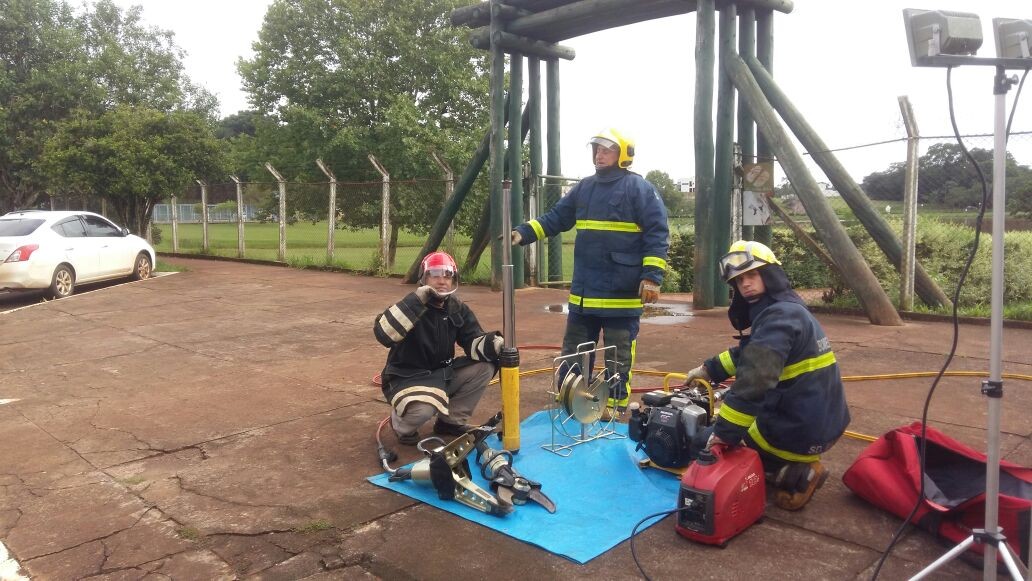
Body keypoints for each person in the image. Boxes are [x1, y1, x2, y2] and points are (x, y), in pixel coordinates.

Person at [511, 128, 669, 418]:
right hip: (585, 293)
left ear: (623, 155)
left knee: (618, 355)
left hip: (621, 295)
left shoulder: (640, 189)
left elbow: (658, 234)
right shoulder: (585, 187)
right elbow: (556, 218)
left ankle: (613, 407)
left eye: (606, 150)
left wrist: (652, 277)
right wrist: (524, 232)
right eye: (596, 149)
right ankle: (572, 401)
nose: (599, 154)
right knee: (574, 352)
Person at [683, 240, 850, 510]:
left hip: (794, 428)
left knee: (703, 443)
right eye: (739, 280)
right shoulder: (787, 310)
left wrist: (723, 435)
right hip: (821, 420)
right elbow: (752, 352)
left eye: (752, 275)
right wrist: (709, 369)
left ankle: (792, 474)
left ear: (770, 274)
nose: (745, 284)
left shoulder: (777, 318)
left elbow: (754, 382)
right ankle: (788, 464)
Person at [373, 251, 503, 445]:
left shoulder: (456, 307)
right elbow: (383, 334)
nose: (442, 281)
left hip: (440, 374)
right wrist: (416, 301)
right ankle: (400, 425)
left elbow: (473, 341)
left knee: (485, 367)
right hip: (405, 377)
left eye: (447, 275)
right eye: (435, 275)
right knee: (425, 409)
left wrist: (497, 345)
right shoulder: (408, 307)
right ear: (424, 278)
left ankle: (450, 422)